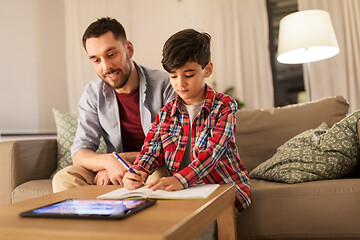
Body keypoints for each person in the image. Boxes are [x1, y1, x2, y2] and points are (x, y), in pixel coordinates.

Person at [122, 29, 251, 214]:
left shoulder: (224, 105)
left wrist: (181, 180)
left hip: (223, 187)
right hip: (183, 191)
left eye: (188, 75)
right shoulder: (165, 113)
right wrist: (138, 171)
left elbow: (213, 153)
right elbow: (151, 150)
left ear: (207, 69)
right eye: (173, 76)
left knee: (196, 225)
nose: (180, 84)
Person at [52, 17, 176, 192]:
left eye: (111, 55)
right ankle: (89, 219)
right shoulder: (92, 93)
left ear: (129, 49)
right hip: (116, 171)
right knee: (65, 178)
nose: (106, 67)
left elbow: (172, 147)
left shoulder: (166, 85)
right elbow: (80, 153)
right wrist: (107, 162)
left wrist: (117, 160)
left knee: (157, 179)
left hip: (155, 167)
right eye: (96, 60)